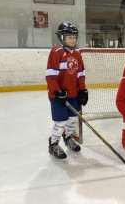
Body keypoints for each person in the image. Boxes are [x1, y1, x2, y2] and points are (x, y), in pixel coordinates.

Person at [45, 22, 88, 159]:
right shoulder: (56, 52)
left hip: (73, 94)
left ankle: (68, 138)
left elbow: (80, 74)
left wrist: (83, 91)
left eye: (74, 37)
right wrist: (57, 92)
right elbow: (51, 75)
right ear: (62, 38)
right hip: (58, 95)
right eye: (70, 37)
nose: (73, 40)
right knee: (61, 121)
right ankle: (53, 143)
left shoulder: (77, 54)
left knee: (73, 119)